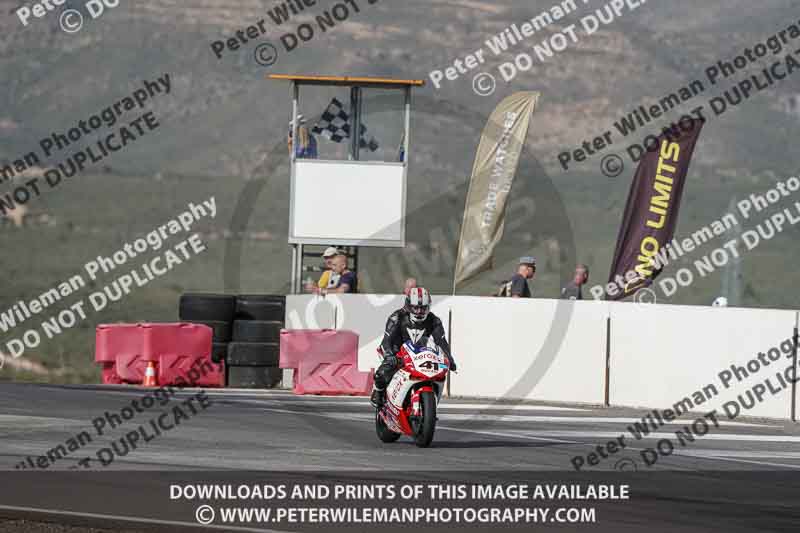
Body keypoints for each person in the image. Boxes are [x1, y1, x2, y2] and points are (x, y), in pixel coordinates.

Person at [370, 287, 456, 408]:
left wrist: (450, 359)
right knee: (382, 373)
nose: (419, 312)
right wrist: (390, 356)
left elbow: (441, 342)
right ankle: (378, 391)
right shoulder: (396, 317)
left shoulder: (434, 320)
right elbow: (387, 341)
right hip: (397, 352)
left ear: (428, 307)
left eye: (423, 308)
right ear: (408, 306)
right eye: (416, 307)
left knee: (438, 372)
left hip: (419, 353)